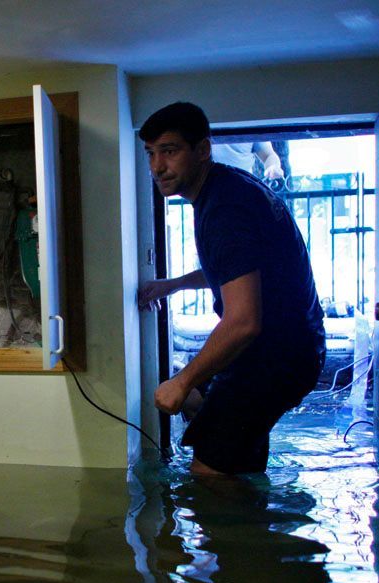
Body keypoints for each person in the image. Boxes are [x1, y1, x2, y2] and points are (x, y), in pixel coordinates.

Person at [138, 102, 325, 476]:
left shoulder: (225, 210)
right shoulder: (228, 186)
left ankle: (243, 526)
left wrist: (181, 380)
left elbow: (243, 323)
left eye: (170, 151)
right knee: (199, 407)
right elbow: (234, 270)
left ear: (202, 150)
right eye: (151, 153)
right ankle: (245, 481)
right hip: (292, 349)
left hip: (276, 358)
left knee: (207, 476)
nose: (157, 167)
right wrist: (173, 285)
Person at [211, 141, 284, 181]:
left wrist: (273, 166)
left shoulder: (252, 120)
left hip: (242, 187)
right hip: (208, 189)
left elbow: (269, 155)